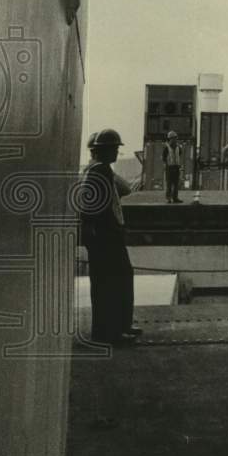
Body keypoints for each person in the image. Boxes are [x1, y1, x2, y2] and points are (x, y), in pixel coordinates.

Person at [78, 128, 141, 346]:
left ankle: (119, 326)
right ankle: (110, 332)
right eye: (114, 148)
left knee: (118, 280)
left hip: (107, 235)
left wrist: (111, 172)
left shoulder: (101, 171)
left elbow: (125, 190)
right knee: (111, 283)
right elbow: (88, 206)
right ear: (102, 151)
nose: (116, 152)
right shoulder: (96, 173)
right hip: (105, 237)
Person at [162, 130, 185, 203]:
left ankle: (175, 198)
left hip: (176, 167)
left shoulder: (178, 147)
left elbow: (179, 155)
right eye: (174, 138)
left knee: (176, 184)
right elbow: (163, 158)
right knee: (169, 184)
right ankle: (168, 198)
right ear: (170, 139)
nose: (175, 139)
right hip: (169, 167)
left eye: (176, 138)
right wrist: (167, 164)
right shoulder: (166, 148)